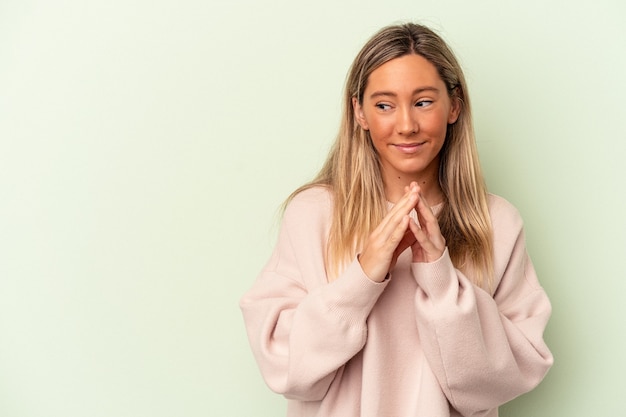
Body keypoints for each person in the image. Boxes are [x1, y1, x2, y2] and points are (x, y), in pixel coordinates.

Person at [240, 22, 553, 417]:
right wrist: (361, 279)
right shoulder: (313, 214)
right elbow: (283, 365)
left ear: (454, 106)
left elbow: (507, 376)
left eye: (423, 102)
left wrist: (442, 282)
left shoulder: (497, 223)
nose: (406, 124)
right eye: (384, 105)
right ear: (359, 112)